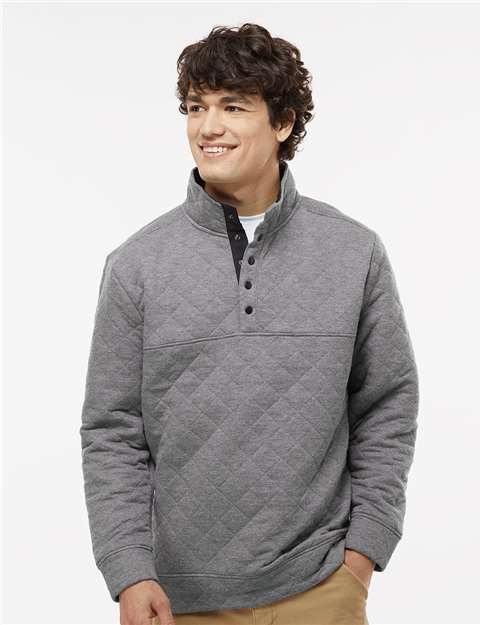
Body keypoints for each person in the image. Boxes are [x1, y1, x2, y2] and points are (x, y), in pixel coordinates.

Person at [80, 22, 419, 625]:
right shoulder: (135, 266)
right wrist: (128, 571)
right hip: (178, 600)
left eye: (232, 106)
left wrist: (364, 552)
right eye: (196, 107)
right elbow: (112, 432)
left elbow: (386, 406)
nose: (207, 127)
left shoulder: (353, 252)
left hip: (322, 586)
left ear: (283, 122)